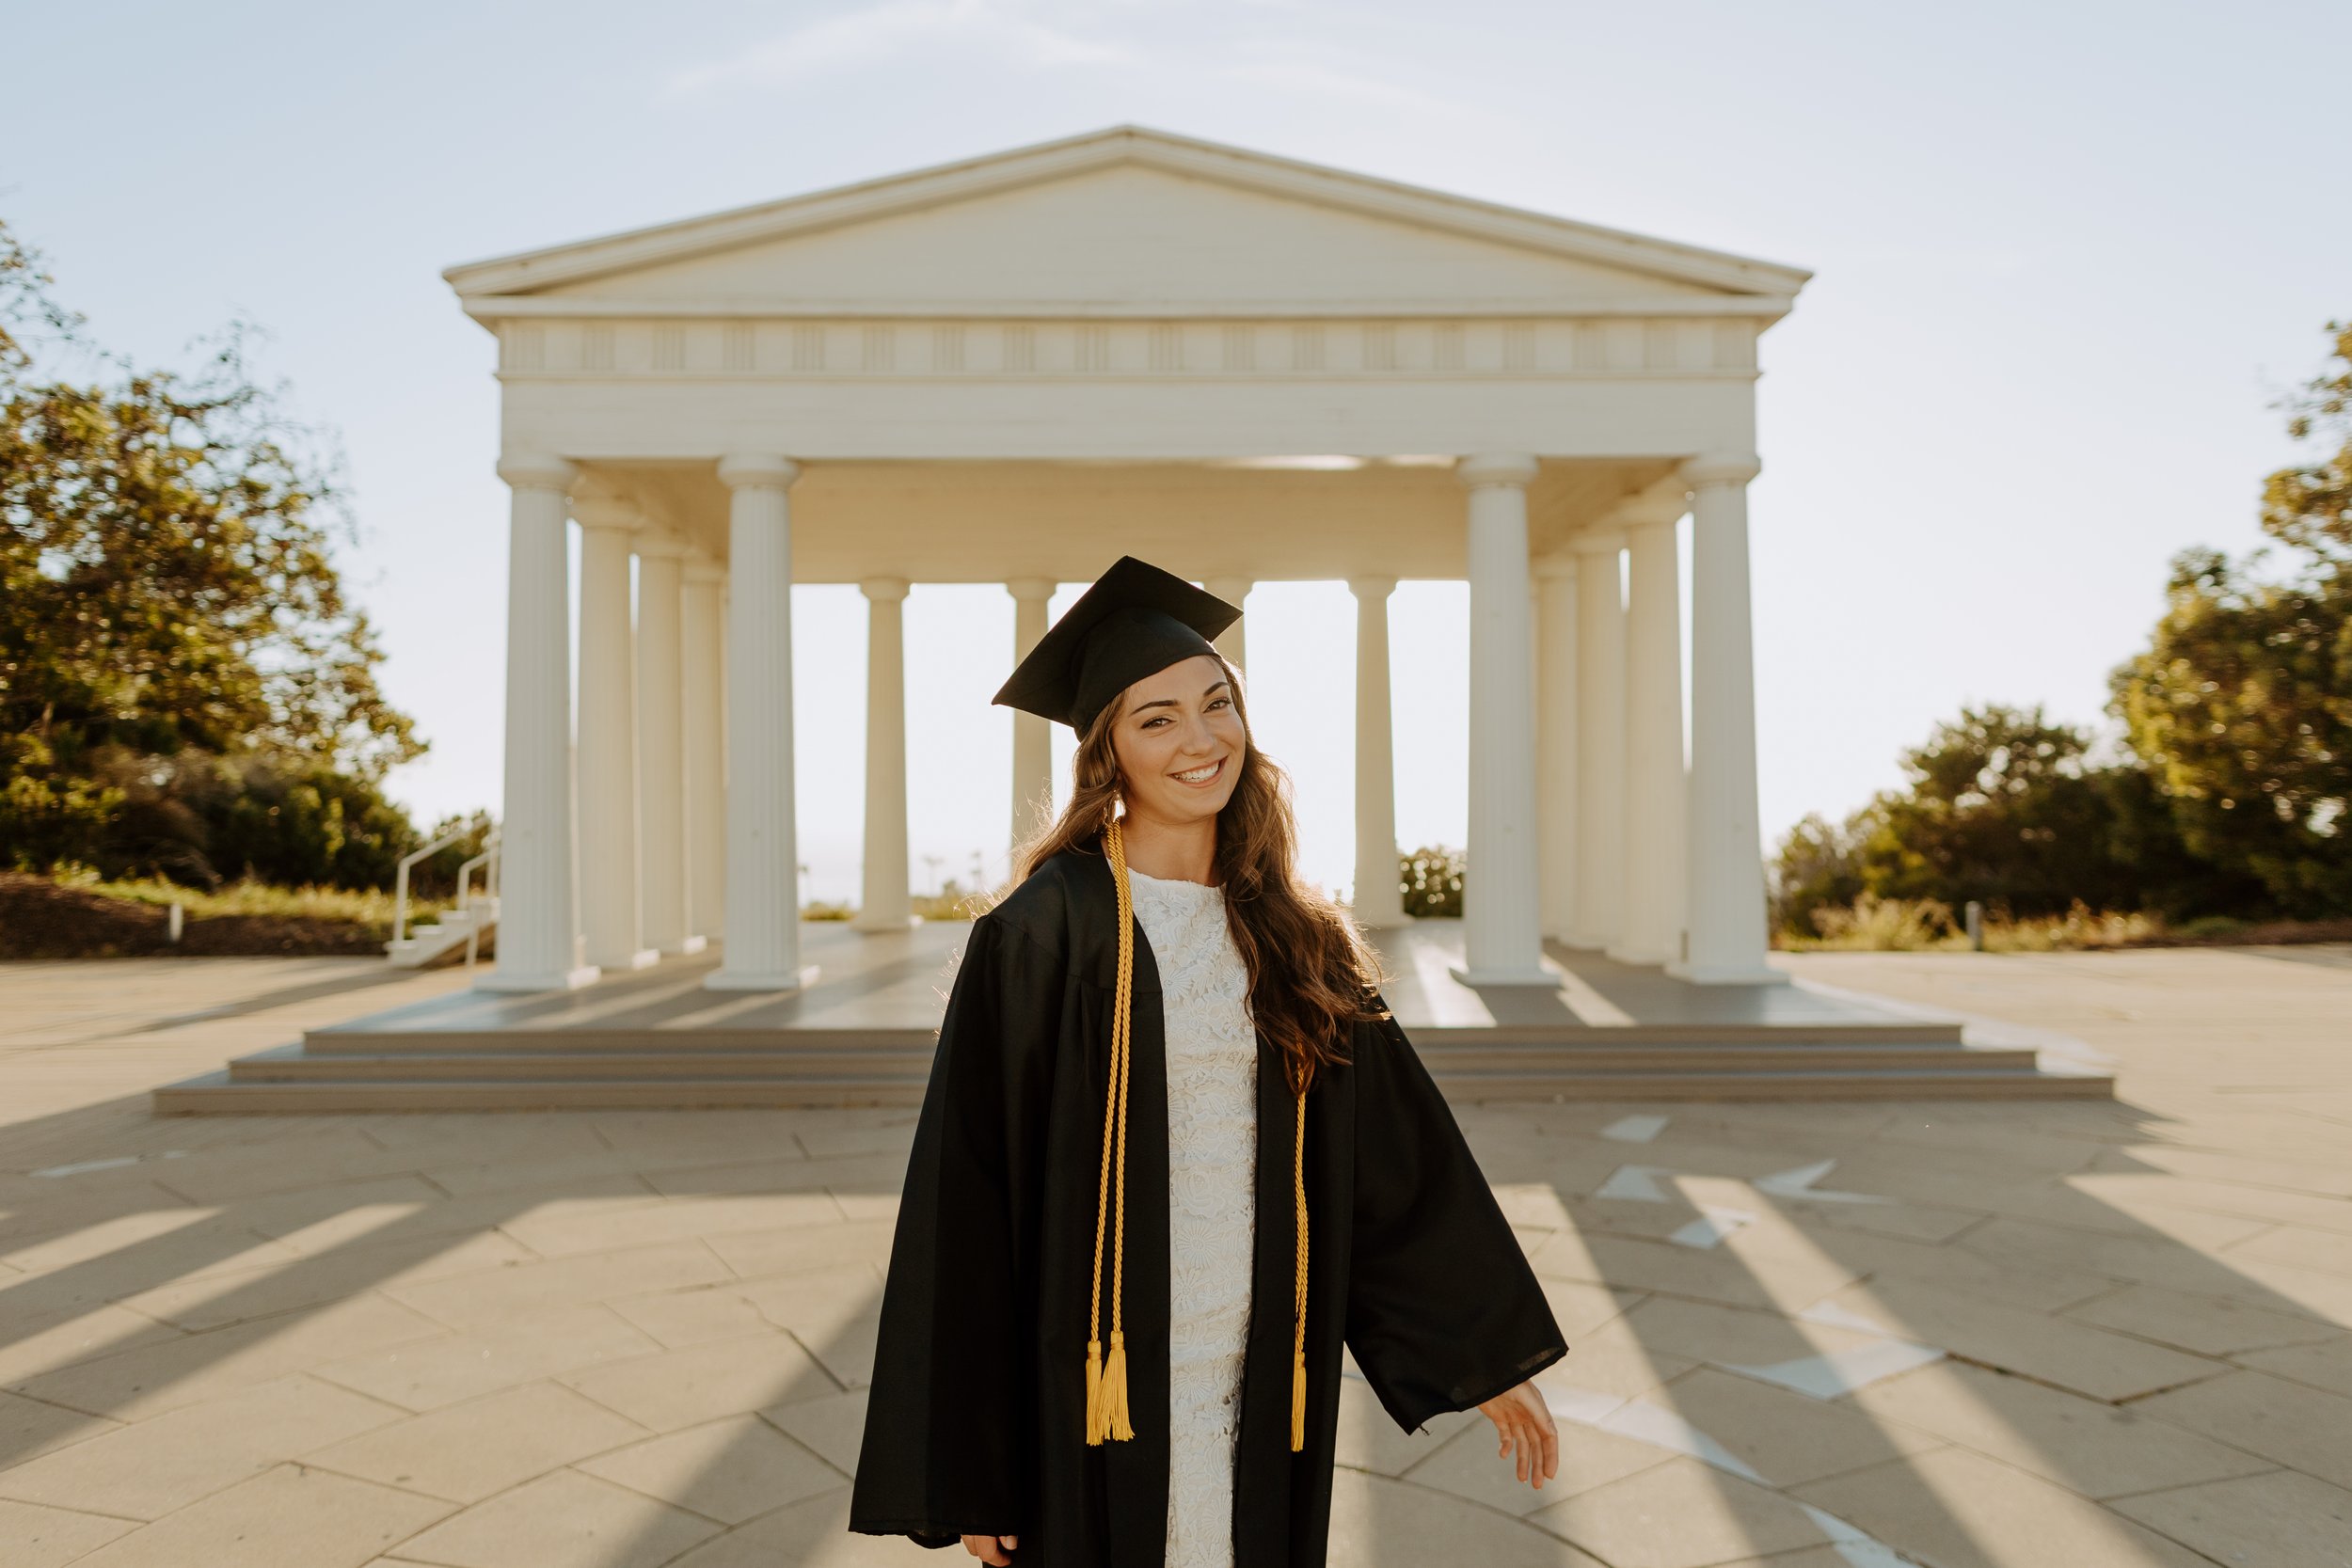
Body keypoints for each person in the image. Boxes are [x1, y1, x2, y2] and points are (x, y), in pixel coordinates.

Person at [848, 556, 1567, 1567]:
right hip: (1099, 1368)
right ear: (1110, 754)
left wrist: (1481, 1351)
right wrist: (978, 1461)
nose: (1201, 739)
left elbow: (1395, 1168)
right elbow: (969, 1199)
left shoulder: (1296, 937)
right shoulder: (1045, 930)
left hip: (1261, 1362)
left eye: (1216, 703)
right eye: (1157, 718)